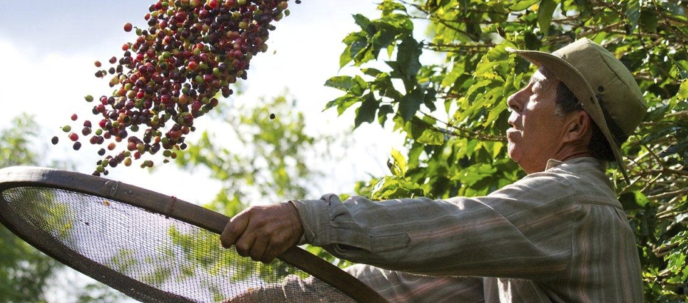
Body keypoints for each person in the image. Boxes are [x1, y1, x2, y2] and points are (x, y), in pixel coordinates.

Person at [220, 39, 648, 302]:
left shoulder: (572, 202)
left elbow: (451, 226)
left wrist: (307, 218)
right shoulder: (530, 240)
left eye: (535, 90)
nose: (514, 99)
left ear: (575, 125)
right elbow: (413, 282)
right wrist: (286, 299)